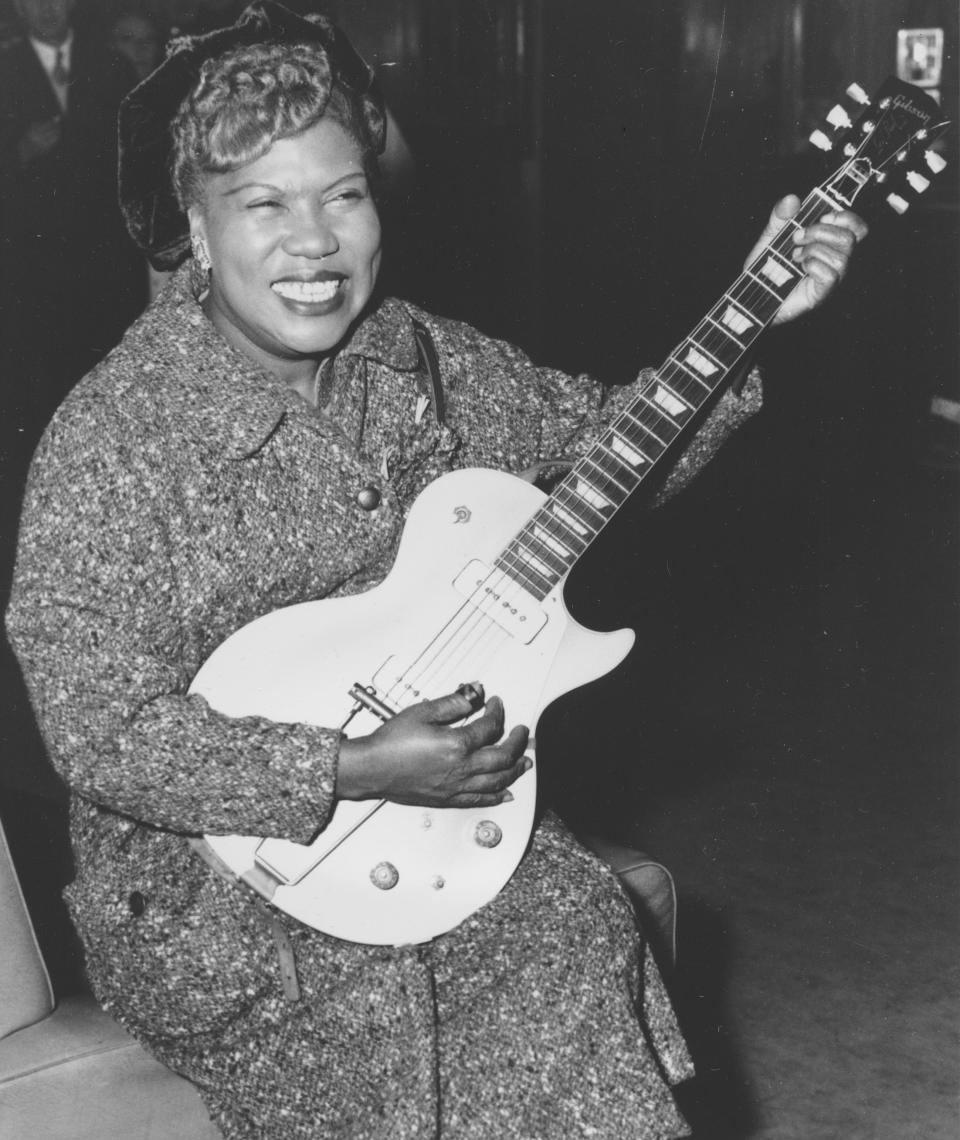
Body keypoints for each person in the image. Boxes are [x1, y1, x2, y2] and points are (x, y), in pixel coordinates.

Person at [5, 3, 866, 1137]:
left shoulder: (416, 355)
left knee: (572, 934)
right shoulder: (116, 437)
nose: (314, 245)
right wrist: (351, 765)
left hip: (436, 825)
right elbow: (101, 728)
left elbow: (610, 446)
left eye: (342, 196)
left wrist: (758, 313)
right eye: (264, 204)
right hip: (215, 889)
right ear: (196, 232)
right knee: (375, 1037)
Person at [0, 0, 146, 435]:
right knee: (43, 393)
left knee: (108, 383)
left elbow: (132, 157)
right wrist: (19, 153)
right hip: (34, 267)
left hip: (103, 261)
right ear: (17, 10)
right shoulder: (5, 70)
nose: (46, 9)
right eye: (32, 1)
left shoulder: (110, 64)